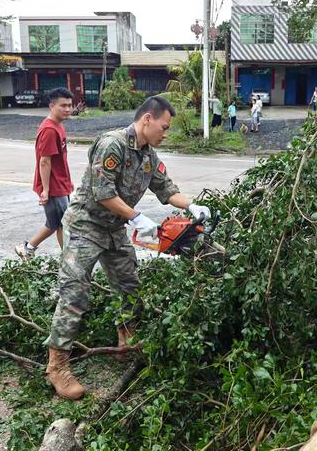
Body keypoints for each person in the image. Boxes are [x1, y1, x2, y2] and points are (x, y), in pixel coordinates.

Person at [44, 96, 210, 400]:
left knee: (130, 287)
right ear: (147, 119)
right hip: (85, 226)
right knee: (75, 293)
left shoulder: (148, 156)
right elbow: (102, 192)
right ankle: (57, 366)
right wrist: (136, 216)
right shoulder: (113, 145)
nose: (166, 132)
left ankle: (126, 342)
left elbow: (166, 189)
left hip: (113, 229)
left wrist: (193, 205)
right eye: (164, 126)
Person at [15, 88, 74, 260]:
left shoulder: (58, 126)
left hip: (60, 183)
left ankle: (28, 248)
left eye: (70, 105)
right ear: (51, 106)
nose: (68, 109)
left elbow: (59, 159)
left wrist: (68, 182)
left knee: (57, 222)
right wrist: (46, 190)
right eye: (63, 106)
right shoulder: (49, 130)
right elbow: (44, 161)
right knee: (61, 223)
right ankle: (68, 259)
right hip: (53, 186)